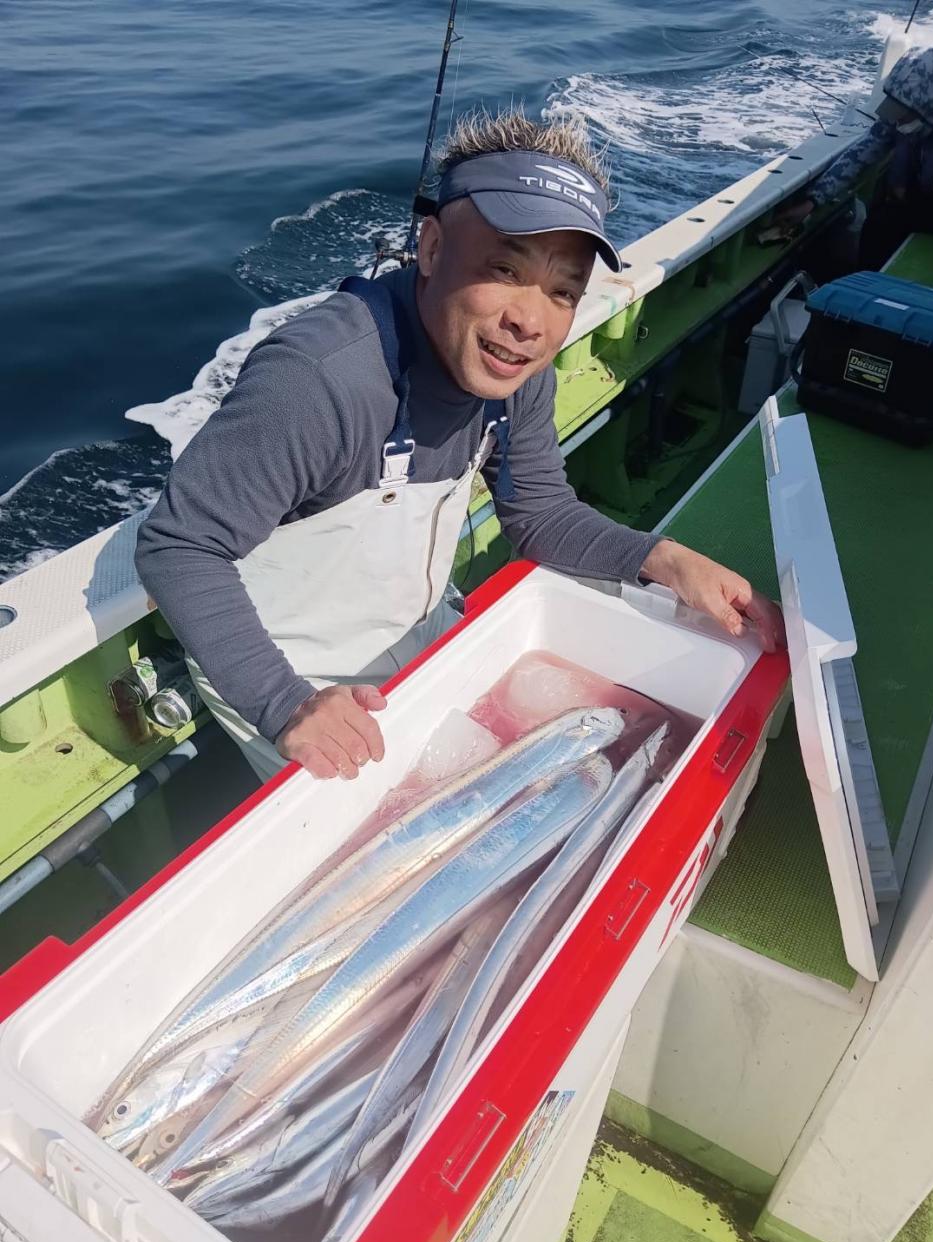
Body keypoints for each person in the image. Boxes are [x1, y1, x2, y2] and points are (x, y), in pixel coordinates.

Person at [136, 110, 784, 785]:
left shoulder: (514, 371)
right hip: (297, 672)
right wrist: (284, 703)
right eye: (504, 269)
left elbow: (538, 512)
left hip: (414, 629)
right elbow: (179, 544)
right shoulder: (318, 379)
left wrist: (663, 559)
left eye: (562, 291)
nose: (529, 321)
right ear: (433, 247)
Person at [778, 46, 933, 266]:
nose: (897, 121)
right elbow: (863, 151)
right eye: (895, 110)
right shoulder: (904, 106)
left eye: (904, 115)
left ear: (931, 108)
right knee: (877, 226)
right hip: (924, 198)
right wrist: (813, 200)